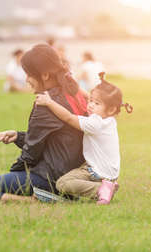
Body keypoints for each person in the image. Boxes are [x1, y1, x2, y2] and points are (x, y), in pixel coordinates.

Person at [0, 44, 87, 202]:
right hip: (75, 179)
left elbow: (31, 153)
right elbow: (58, 139)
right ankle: (58, 195)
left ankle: (38, 199)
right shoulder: (75, 94)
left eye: (28, 75)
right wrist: (18, 136)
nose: (26, 80)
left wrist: (14, 173)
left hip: (49, 179)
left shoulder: (45, 103)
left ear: (45, 75)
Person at [35, 72, 133, 205]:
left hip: (96, 173)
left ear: (110, 109)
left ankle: (101, 190)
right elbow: (90, 97)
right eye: (90, 101)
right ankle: (107, 187)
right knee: (69, 180)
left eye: (96, 103)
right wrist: (74, 85)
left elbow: (69, 118)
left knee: (63, 183)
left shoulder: (95, 124)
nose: (90, 105)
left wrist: (49, 102)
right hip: (107, 173)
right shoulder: (109, 120)